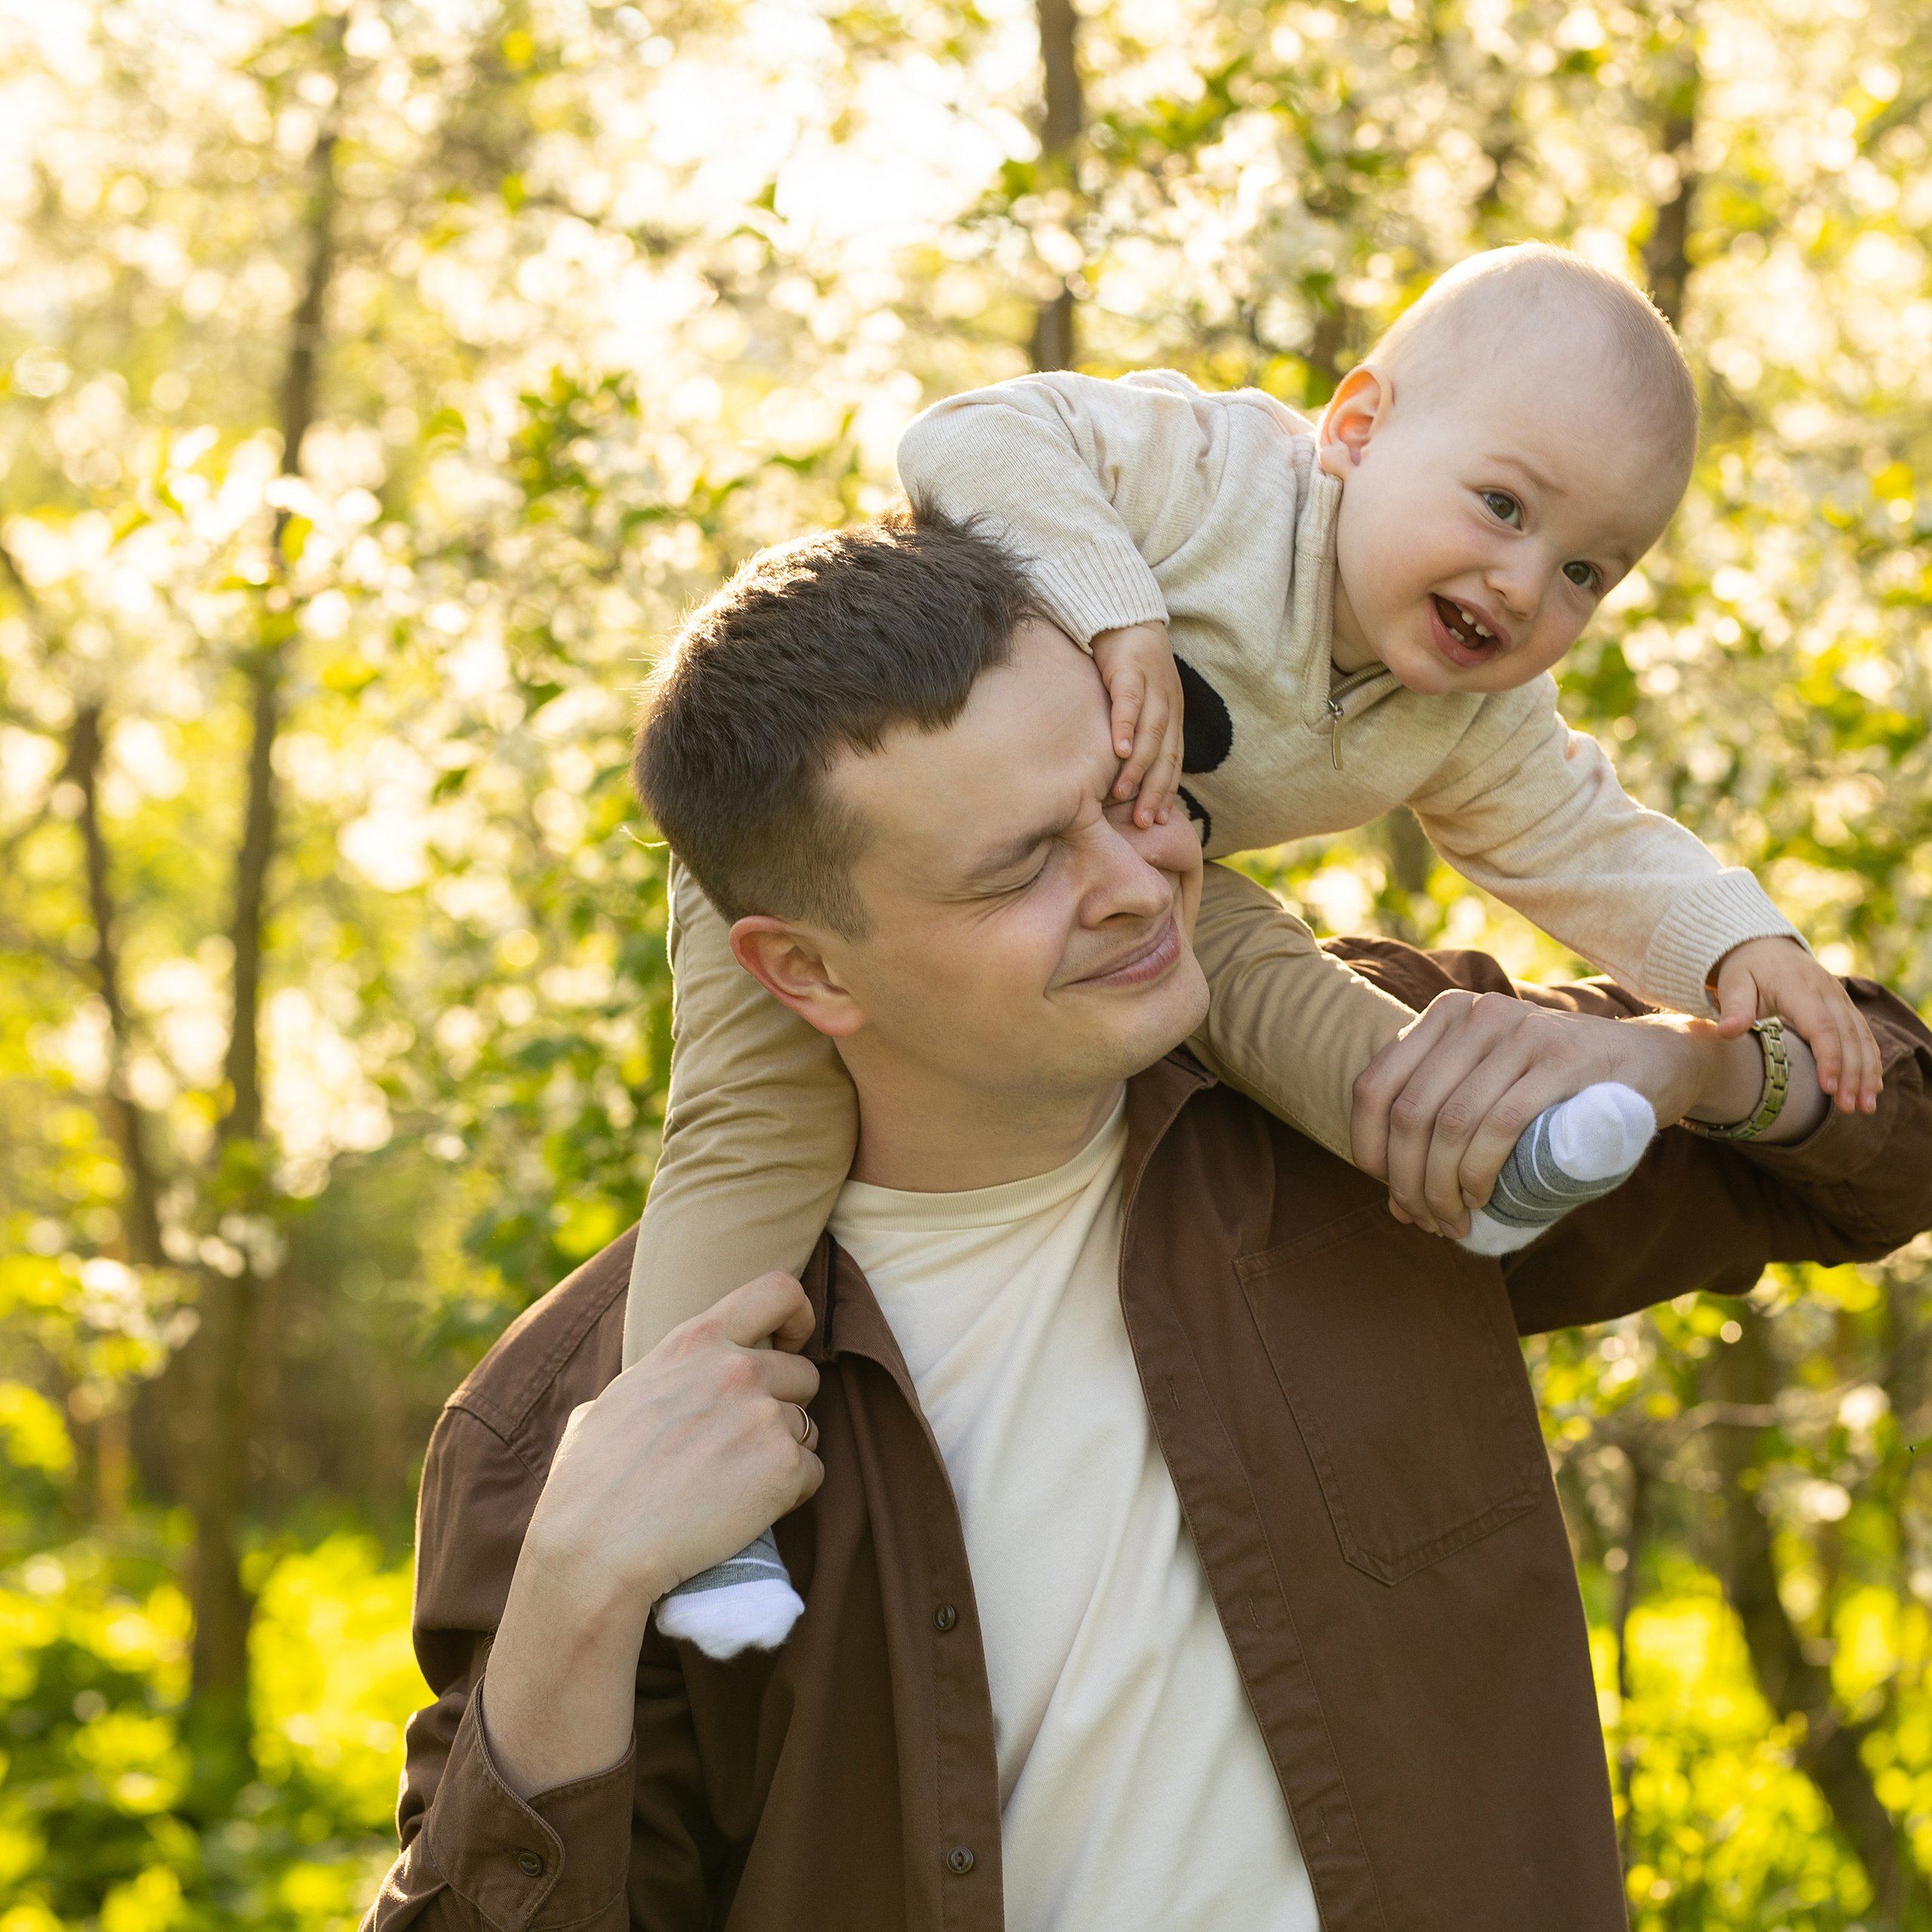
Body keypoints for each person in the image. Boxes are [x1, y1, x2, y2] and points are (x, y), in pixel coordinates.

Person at [363, 509, 1932, 1932]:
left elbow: (1891, 1148)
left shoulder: (1360, 1109)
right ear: (806, 971)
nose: (1136, 880)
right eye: (1020, 867)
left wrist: (1675, 1065)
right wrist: (572, 1600)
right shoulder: (571, 1432)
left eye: (1130, 795)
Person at [629, 243, 1881, 1653]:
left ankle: (1482, 1164)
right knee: (755, 1134)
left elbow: (1584, 839)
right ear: (1356, 429)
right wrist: (1120, 609)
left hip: (1141, 855)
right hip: (838, 815)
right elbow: (966, 435)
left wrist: (1739, 951)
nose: (1524, 582)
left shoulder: (1466, 713)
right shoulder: (1223, 479)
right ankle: (690, 1511)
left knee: (1280, 993)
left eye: (1588, 567)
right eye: (1501, 503)